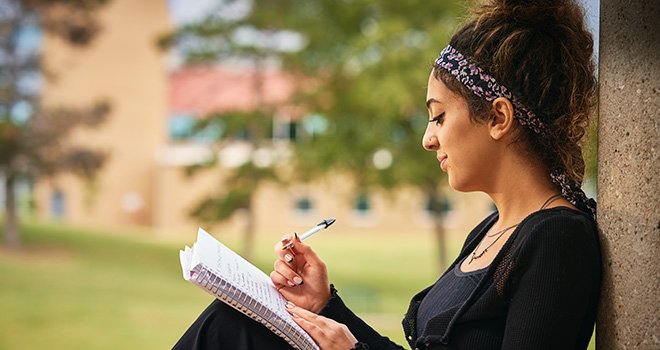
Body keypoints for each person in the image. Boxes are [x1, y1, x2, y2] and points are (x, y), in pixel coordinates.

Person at [173, 0, 601, 349]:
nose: (428, 140)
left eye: (438, 117)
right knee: (232, 322)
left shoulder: (555, 240)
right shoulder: (492, 230)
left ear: (498, 117)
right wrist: (325, 307)